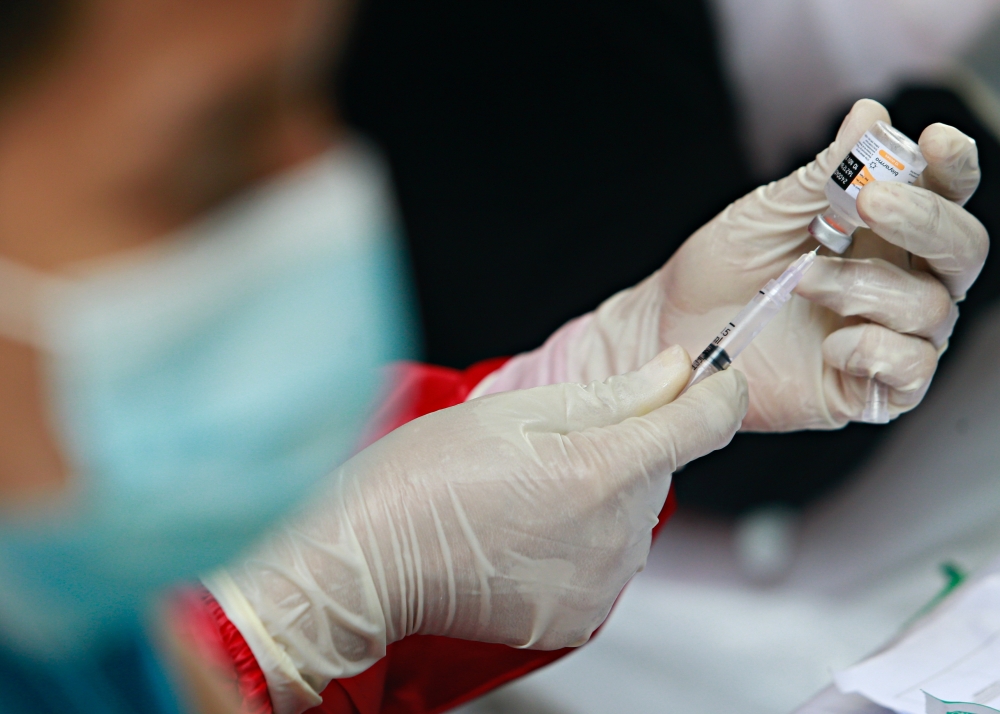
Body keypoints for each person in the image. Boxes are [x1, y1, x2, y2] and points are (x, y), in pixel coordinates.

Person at [0, 3, 987, 714]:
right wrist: (281, 621)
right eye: (213, 151)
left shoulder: (66, 574)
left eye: (314, 97)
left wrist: (617, 361)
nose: (327, 198)